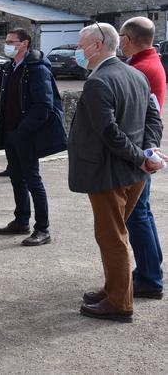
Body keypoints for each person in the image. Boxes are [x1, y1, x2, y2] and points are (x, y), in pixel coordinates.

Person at [69, 22, 163, 323]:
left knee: (111, 237)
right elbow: (153, 118)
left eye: (81, 45)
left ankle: (119, 303)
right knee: (114, 234)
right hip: (132, 173)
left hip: (109, 173)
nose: (77, 51)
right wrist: (147, 154)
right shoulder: (135, 73)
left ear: (97, 45)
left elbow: (109, 133)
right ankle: (113, 288)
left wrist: (141, 157)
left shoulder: (100, 81)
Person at [0, 28, 67, 246]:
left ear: (24, 44)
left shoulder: (37, 69)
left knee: (33, 180)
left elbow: (43, 106)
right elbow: (9, 103)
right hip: (12, 134)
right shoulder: (11, 68)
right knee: (16, 178)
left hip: (27, 135)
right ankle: (21, 220)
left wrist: (23, 131)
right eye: (7, 41)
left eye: (11, 41)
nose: (7, 44)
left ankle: (43, 229)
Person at [119, 17, 165, 299]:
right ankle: (150, 270)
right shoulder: (148, 63)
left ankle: (149, 278)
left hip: (137, 154)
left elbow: (145, 117)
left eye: (122, 36)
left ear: (129, 39)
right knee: (142, 214)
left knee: (138, 215)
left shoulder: (141, 69)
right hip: (143, 151)